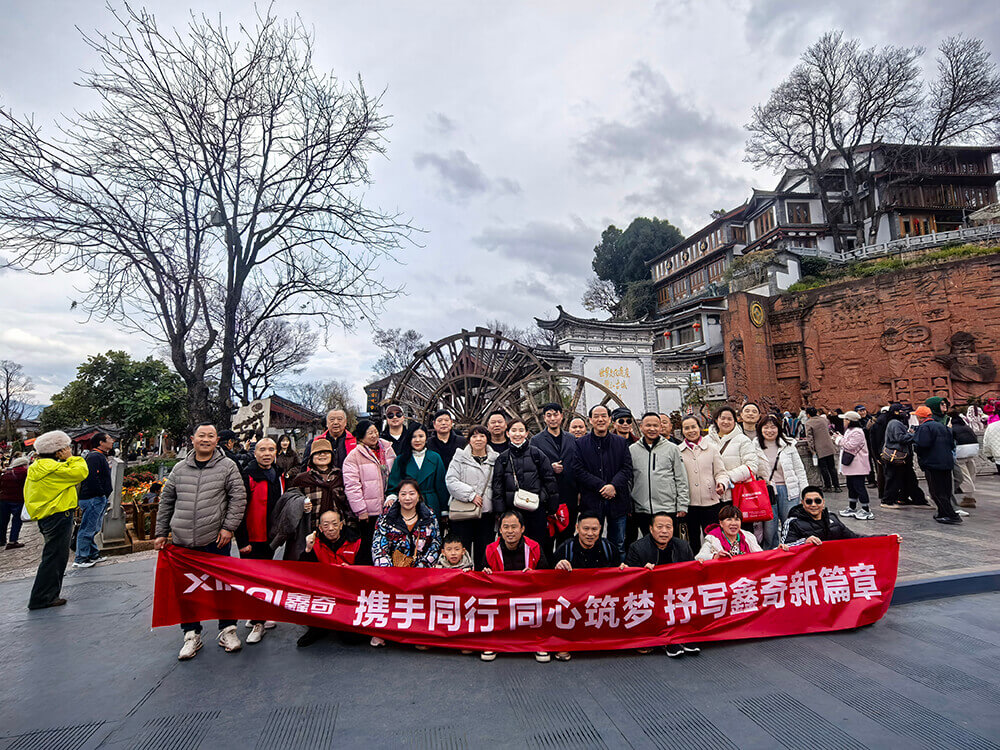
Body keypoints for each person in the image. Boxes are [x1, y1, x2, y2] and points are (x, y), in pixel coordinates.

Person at [154, 423, 247, 660]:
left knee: (222, 587)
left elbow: (238, 498)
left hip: (215, 539)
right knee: (186, 589)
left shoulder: (227, 466)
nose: (206, 439)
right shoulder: (179, 469)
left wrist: (228, 528)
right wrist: (161, 532)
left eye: (210, 436)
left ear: (217, 440)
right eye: (201, 435)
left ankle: (228, 629)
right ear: (192, 439)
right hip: (182, 540)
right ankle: (191, 634)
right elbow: (167, 501)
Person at [372, 479, 442, 647]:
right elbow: (378, 545)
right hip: (393, 572)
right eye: (403, 494)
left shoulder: (429, 515)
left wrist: (423, 566)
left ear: (418, 496)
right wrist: (389, 570)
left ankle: (419, 633)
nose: (407, 498)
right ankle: (385, 631)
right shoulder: (386, 517)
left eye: (412, 493)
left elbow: (436, 543)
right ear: (398, 496)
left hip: (421, 570)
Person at [24, 431, 90, 610]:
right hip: (58, 515)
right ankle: (43, 597)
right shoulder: (54, 469)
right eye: (66, 448)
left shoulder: (38, 467)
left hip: (47, 516)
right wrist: (72, 458)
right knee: (55, 557)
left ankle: (46, 595)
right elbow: (81, 472)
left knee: (53, 555)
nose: (69, 450)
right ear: (58, 452)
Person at [623, 512, 698, 658]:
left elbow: (693, 573)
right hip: (651, 595)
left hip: (677, 594)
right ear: (651, 529)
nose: (664, 531)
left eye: (668, 527)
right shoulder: (637, 548)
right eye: (660, 527)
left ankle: (684, 636)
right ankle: (668, 640)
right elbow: (629, 582)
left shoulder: (683, 545)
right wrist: (642, 573)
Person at [482, 509, 549, 663]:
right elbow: (481, 578)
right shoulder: (490, 549)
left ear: (522, 528)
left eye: (514, 527)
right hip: (501, 598)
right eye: (506, 527)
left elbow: (546, 576)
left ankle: (538, 642)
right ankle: (493, 641)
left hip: (528, 597)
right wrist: (485, 573)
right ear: (500, 530)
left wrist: (534, 574)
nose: (510, 531)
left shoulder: (534, 547)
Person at [236, 437, 285, 645]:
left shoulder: (278, 474)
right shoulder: (247, 475)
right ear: (254, 453)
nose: (267, 453)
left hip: (270, 536)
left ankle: (259, 615)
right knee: (252, 579)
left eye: (271, 449)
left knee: (265, 578)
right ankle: (258, 622)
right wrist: (242, 540)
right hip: (252, 536)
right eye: (262, 450)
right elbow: (238, 509)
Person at [571, 404, 633, 563]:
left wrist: (613, 486)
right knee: (591, 543)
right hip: (591, 501)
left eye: (604, 416)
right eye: (596, 416)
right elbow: (578, 470)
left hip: (617, 499)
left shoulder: (620, 442)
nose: (600, 419)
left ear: (610, 419)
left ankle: (618, 573)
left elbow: (627, 469)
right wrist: (601, 486)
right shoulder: (580, 443)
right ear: (590, 420)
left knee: (618, 544)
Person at [550, 513, 615, 662]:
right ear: (577, 528)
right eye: (586, 529)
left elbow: (618, 577)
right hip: (572, 600)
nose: (590, 534)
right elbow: (550, 582)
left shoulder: (608, 548)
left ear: (600, 529)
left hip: (599, 599)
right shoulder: (565, 548)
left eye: (594, 529)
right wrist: (557, 567)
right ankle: (563, 642)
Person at [278, 439, 354, 562]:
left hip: (337, 532)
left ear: (332, 456)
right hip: (311, 531)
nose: (322, 455)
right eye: (318, 453)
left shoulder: (341, 476)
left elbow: (349, 504)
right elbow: (289, 499)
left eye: (326, 452)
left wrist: (350, 527)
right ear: (311, 457)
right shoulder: (302, 479)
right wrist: (301, 503)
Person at [296, 508, 362, 648]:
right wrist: (308, 549)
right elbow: (303, 572)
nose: (331, 528)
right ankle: (318, 628)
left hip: (350, 591)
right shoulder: (314, 543)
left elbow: (367, 569)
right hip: (324, 592)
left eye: (335, 524)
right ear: (320, 528)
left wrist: (352, 571)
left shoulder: (356, 541)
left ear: (341, 525)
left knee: (350, 639)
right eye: (326, 526)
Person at [492, 419, 559, 547]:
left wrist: (547, 502)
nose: (517, 434)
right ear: (507, 433)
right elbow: (497, 487)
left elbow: (549, 480)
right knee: (513, 545)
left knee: (537, 544)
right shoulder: (503, 458)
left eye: (521, 430)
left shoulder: (537, 454)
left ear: (527, 433)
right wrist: (500, 512)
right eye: (513, 430)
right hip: (512, 510)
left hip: (535, 508)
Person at [628, 412, 688, 544]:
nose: (652, 429)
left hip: (667, 508)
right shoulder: (632, 450)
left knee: (669, 544)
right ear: (641, 427)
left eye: (655, 425)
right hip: (642, 509)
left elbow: (681, 478)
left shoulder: (672, 449)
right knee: (648, 545)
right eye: (648, 425)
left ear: (661, 427)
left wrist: (682, 505)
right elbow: (630, 480)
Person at [343, 420, 396, 561]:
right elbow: (352, 486)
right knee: (369, 544)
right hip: (369, 512)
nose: (374, 435)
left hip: (389, 506)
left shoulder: (387, 449)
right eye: (370, 433)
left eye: (375, 432)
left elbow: (396, 475)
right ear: (361, 437)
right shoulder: (354, 456)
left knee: (389, 544)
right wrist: (360, 510)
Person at [754, 414, 810, 547]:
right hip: (767, 491)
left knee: (790, 525)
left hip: (789, 490)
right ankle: (771, 553)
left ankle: (791, 552)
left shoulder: (788, 445)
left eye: (773, 427)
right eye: (766, 427)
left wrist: (805, 491)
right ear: (760, 429)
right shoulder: (754, 446)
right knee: (769, 529)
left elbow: (799, 469)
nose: (769, 430)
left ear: (779, 428)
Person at [446, 425, 498, 568]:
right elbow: (451, 480)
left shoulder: (495, 459)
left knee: (485, 551)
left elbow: (499, 484)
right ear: (469, 440)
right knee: (463, 550)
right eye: (474, 436)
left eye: (482, 436)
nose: (478, 439)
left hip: (486, 512)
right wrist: (471, 495)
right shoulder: (459, 457)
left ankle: (482, 578)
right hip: (463, 512)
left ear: (487, 439)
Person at [530, 402, 578, 545]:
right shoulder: (536, 440)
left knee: (567, 537)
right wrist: (550, 468)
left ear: (561, 416)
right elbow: (532, 467)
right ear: (544, 418)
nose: (552, 418)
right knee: (547, 539)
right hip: (547, 497)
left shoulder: (571, 439)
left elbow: (577, 464)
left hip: (569, 495)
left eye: (555, 415)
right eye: (549, 415)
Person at [679, 415, 728, 550]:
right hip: (689, 504)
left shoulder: (712, 448)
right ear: (682, 431)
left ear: (699, 428)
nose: (691, 431)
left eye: (693, 427)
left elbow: (721, 472)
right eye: (686, 428)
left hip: (710, 502)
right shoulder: (678, 451)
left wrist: (721, 483)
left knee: (712, 540)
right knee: (692, 541)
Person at [386, 425, 449, 521]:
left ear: (426, 438)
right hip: (408, 504)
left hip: (431, 503)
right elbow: (393, 484)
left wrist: (444, 509)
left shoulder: (435, 457)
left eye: (421, 436)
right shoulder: (401, 459)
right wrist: (391, 497)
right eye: (414, 437)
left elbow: (441, 486)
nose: (417, 440)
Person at [913, 405, 962, 525]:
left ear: (920, 417)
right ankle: (942, 512)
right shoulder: (942, 426)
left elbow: (922, 444)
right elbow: (952, 443)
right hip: (946, 462)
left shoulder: (924, 428)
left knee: (937, 491)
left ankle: (951, 515)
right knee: (946, 490)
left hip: (932, 463)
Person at [73, 432, 114, 569]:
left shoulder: (99, 456)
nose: (112, 441)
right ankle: (81, 558)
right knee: (87, 528)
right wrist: (101, 493)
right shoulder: (95, 456)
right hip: (93, 498)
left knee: (94, 527)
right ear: (101, 443)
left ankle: (92, 554)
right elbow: (91, 478)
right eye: (109, 439)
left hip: (96, 497)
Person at [705, 405, 758, 505]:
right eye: (722, 418)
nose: (726, 422)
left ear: (735, 421)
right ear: (716, 420)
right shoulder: (706, 441)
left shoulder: (743, 440)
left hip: (737, 495)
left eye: (730, 419)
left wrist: (725, 479)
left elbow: (752, 466)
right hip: (712, 496)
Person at [880, 403, 928, 508]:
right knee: (894, 479)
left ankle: (916, 499)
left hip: (903, 457)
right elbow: (900, 438)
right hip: (898, 456)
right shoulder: (895, 423)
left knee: (909, 479)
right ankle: (887, 501)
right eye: (902, 411)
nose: (905, 413)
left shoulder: (896, 422)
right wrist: (913, 435)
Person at [783, 486, 866, 545]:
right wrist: (804, 542)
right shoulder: (793, 523)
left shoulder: (832, 518)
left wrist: (873, 539)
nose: (813, 505)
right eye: (809, 502)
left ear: (823, 502)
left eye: (817, 501)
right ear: (803, 503)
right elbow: (785, 547)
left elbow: (852, 537)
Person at [837, 411, 873, 521]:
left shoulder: (858, 432)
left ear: (850, 421)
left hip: (858, 464)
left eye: (845, 419)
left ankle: (866, 509)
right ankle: (852, 507)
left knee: (859, 487)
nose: (843, 421)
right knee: (851, 486)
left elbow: (850, 445)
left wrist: (838, 440)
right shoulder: (850, 430)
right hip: (851, 464)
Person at [695, 505, 764, 561]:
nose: (733, 523)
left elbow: (761, 555)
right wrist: (715, 556)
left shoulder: (748, 537)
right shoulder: (712, 538)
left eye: (737, 519)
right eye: (729, 519)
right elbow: (699, 557)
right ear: (721, 523)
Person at [805, 407, 841, 492]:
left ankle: (828, 486)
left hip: (819, 448)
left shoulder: (809, 423)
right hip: (829, 446)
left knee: (824, 468)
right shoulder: (824, 420)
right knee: (832, 467)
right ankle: (837, 486)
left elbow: (810, 438)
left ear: (808, 414)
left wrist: (812, 449)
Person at [949, 408, 978, 509]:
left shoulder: (951, 427)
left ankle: (969, 497)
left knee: (963, 474)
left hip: (961, 450)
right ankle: (969, 495)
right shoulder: (965, 426)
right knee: (971, 471)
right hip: (973, 448)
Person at [1, 456, 29, 550]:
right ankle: (12, 541)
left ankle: (1, 540)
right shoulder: (26, 473)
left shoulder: (6, 473)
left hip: (3, 500)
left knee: (3, 520)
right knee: (17, 520)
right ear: (24, 465)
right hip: (18, 500)